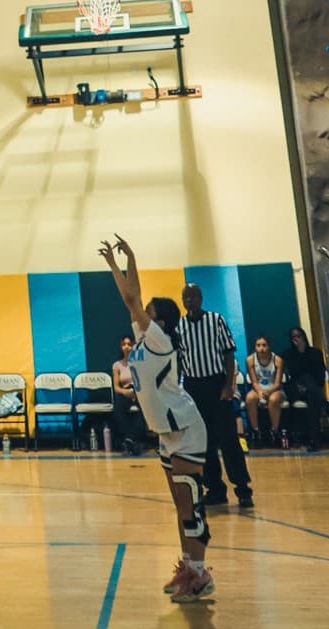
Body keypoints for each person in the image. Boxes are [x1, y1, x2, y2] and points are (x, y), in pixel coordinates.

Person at [99, 236, 214, 603]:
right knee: (180, 507)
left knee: (190, 506)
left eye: (147, 311)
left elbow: (133, 299)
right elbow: (130, 300)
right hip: (167, 431)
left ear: (159, 320)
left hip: (185, 428)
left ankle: (200, 575)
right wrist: (115, 267)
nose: (138, 314)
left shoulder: (161, 339)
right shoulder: (147, 339)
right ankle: (188, 567)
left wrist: (128, 258)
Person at [177, 283, 253, 509]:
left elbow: (229, 354)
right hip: (193, 387)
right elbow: (180, 360)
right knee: (203, 443)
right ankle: (215, 489)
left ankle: (243, 489)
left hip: (216, 384)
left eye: (193, 296)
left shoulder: (216, 320)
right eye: (186, 297)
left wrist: (229, 385)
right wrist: (179, 389)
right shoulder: (179, 327)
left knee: (229, 440)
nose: (190, 300)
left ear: (200, 298)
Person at [282, 326, 328, 451]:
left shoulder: (316, 353)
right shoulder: (288, 354)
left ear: (304, 337)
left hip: (312, 389)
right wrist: (300, 353)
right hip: (295, 389)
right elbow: (293, 373)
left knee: (311, 395)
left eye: (299, 336)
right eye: (294, 337)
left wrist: (304, 353)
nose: (296, 339)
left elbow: (320, 375)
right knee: (305, 381)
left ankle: (314, 441)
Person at [244, 336, 286, 446]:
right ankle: (256, 432)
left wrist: (268, 392)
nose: (261, 348)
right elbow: (254, 382)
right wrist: (260, 392)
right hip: (258, 389)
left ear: (269, 346)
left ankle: (274, 432)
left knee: (273, 399)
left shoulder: (277, 360)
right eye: (258, 345)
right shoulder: (250, 360)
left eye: (264, 345)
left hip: (275, 389)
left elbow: (277, 384)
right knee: (250, 398)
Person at [111, 335, 146, 451]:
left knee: (143, 410)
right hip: (125, 391)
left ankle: (137, 439)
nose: (126, 347)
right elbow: (116, 387)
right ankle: (127, 438)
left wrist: (137, 392)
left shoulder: (140, 361)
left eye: (129, 344)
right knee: (118, 409)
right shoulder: (117, 365)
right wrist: (125, 392)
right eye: (124, 344)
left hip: (139, 390)